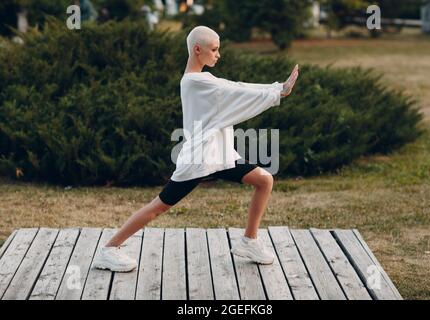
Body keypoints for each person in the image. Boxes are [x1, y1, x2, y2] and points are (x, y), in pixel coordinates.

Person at [92, 26, 299, 272]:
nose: (218, 55)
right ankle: (109, 249)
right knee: (159, 207)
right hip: (200, 159)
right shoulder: (196, 82)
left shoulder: (202, 79)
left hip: (219, 156)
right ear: (197, 50)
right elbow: (235, 90)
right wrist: (278, 90)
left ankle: (249, 241)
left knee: (264, 180)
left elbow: (234, 85)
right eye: (214, 49)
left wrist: (276, 88)